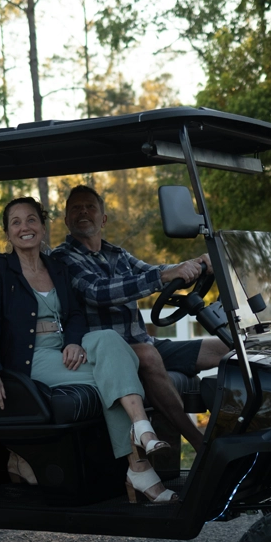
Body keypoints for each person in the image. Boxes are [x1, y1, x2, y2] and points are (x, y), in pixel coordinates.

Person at [0, 197, 177, 502]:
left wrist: (73, 341)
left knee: (110, 339)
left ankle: (140, 428)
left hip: (65, 346)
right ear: (8, 233)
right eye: (15, 222)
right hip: (31, 358)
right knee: (110, 378)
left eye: (31, 219)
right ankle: (139, 463)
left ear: (42, 227)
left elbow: (74, 315)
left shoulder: (57, 266)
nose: (24, 227)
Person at [51, 185, 230, 452]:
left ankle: (245, 431)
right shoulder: (62, 258)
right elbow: (97, 292)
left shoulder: (118, 254)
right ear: (66, 220)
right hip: (103, 353)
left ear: (103, 218)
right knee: (146, 354)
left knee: (227, 347)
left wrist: (196, 265)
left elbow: (155, 271)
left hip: (142, 342)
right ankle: (201, 445)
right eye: (75, 208)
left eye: (90, 206)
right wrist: (163, 277)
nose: (83, 212)